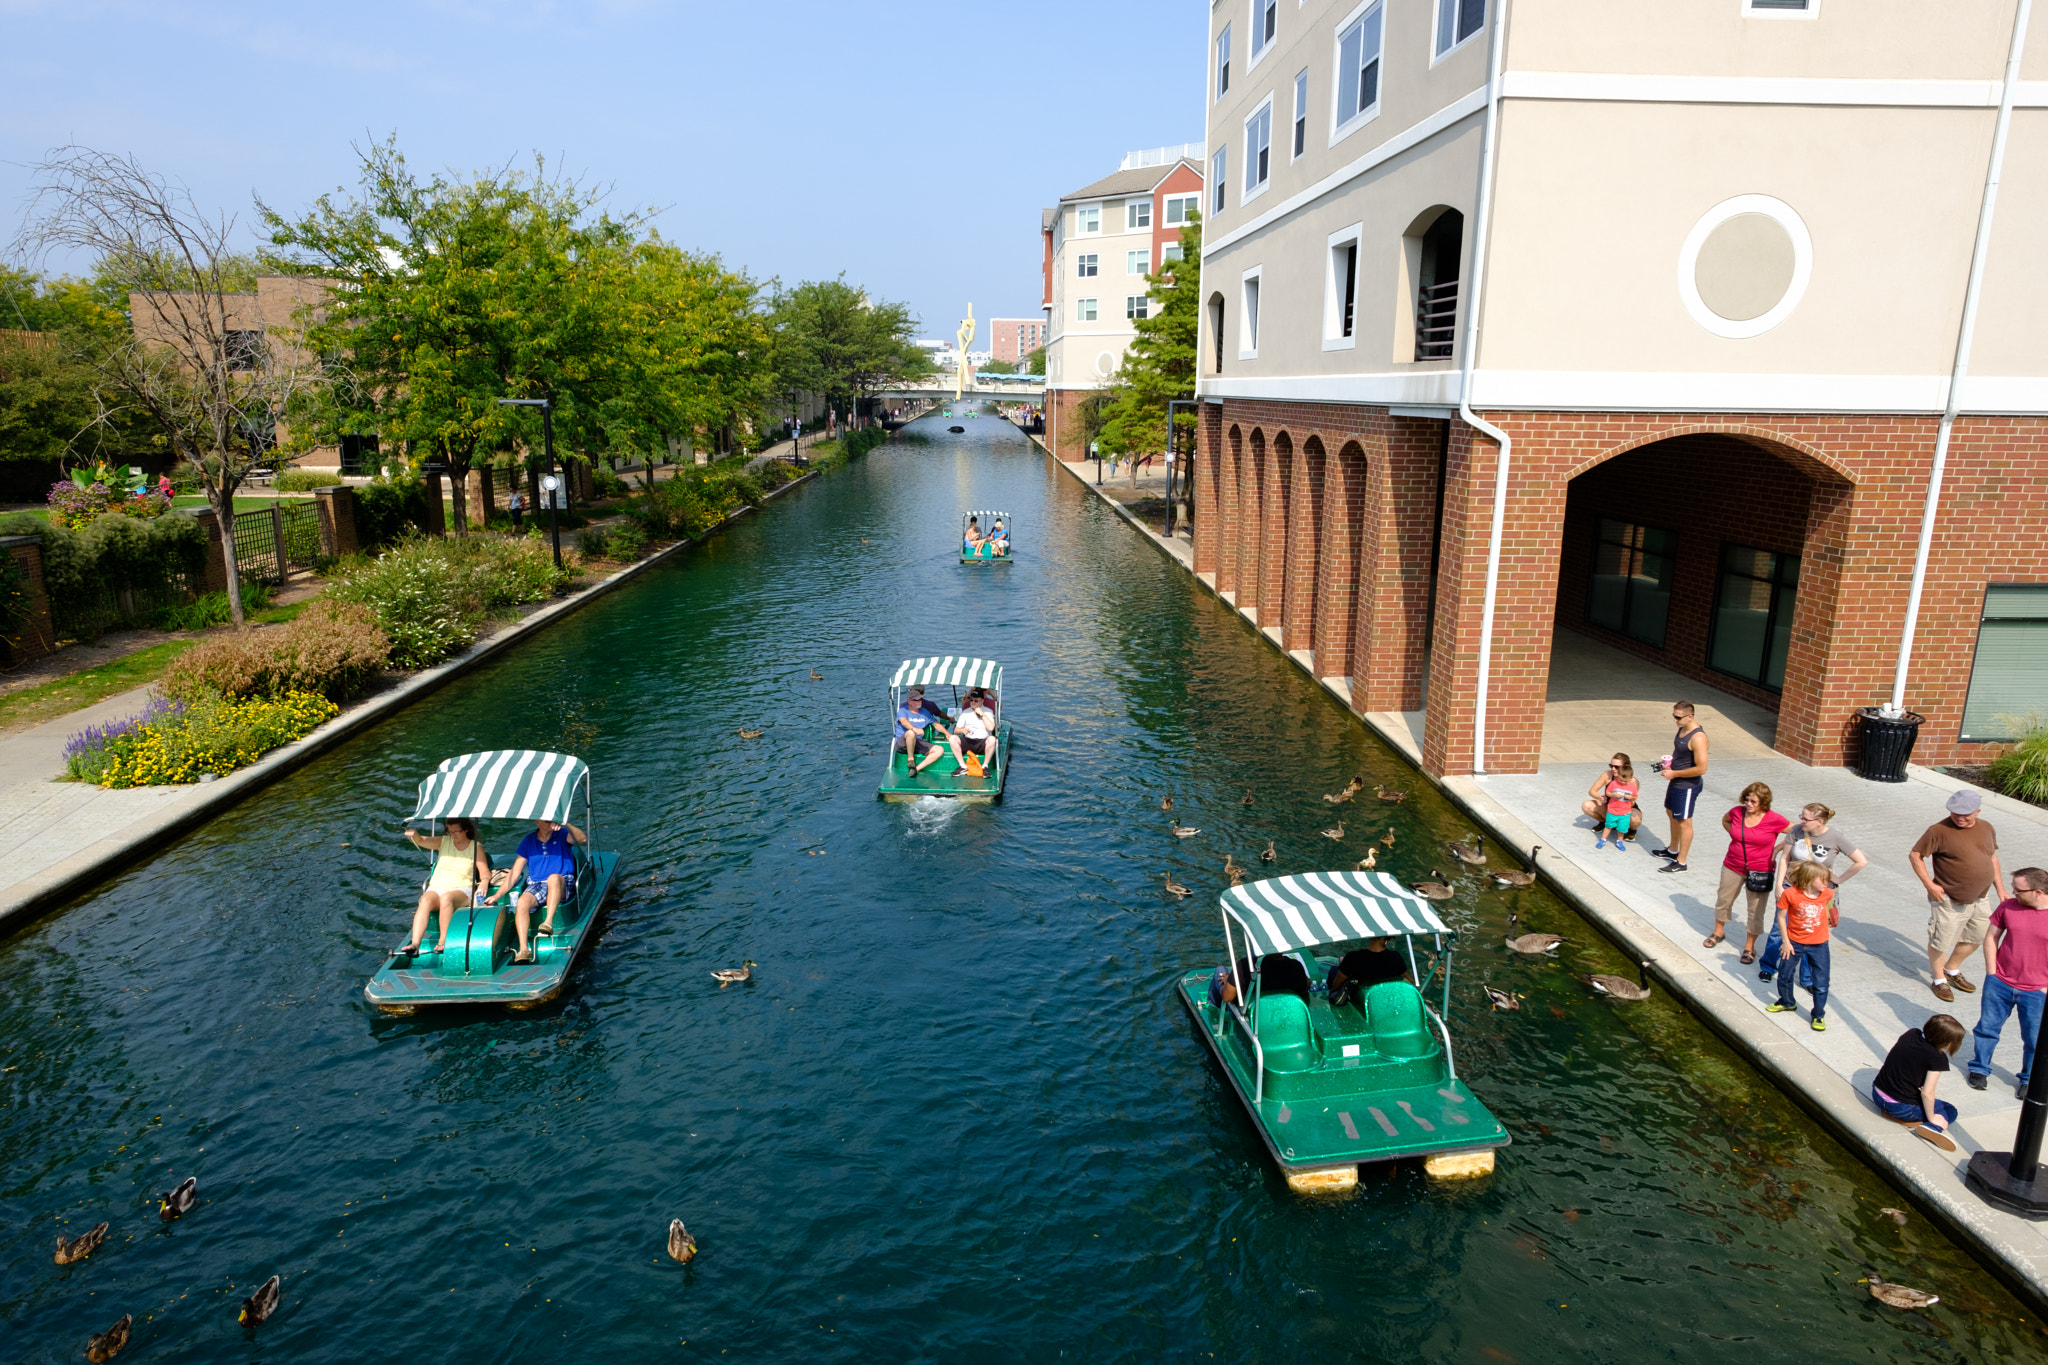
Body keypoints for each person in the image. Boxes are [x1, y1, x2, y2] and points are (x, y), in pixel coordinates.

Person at [1910, 788, 2005, 1003]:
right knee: (1941, 940)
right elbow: (1915, 855)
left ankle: (1952, 969)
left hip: (1981, 897)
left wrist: (2001, 890)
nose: (1960, 818)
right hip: (1949, 899)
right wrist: (1930, 886)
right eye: (1955, 813)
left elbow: (1992, 858)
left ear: (1978, 811)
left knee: (1979, 936)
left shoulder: (1987, 828)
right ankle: (1939, 979)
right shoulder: (1938, 831)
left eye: (1965, 814)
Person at [1761, 803, 1868, 984]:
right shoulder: (1796, 831)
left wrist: (1839, 879)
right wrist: (1779, 885)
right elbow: (1785, 858)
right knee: (1779, 931)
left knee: (1810, 934)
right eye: (1801, 816)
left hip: (1815, 893)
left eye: (1805, 819)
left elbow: (1861, 861)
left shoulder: (1835, 837)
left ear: (1819, 821)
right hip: (1791, 887)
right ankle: (1768, 966)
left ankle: (1807, 978)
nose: (1801, 821)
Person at [1966, 866, 2048, 1096]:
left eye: (2019, 890)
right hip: (2000, 983)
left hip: (2035, 991)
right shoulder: (2008, 907)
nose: (2013, 893)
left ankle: (2028, 1079)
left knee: (2033, 1038)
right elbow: (1991, 937)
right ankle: (1979, 1069)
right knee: (1987, 1028)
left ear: (2038, 892)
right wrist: (1991, 971)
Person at [485, 816, 587, 964]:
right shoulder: (529, 840)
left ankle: (548, 923)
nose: (551, 823)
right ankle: (523, 949)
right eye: (547, 821)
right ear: (537, 822)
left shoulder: (562, 834)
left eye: (553, 820)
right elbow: (514, 872)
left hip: (562, 881)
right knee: (522, 902)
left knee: (553, 878)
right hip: (538, 883)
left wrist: (565, 823)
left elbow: (582, 839)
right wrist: (497, 895)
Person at [1709, 782, 1789, 961]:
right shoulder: (1736, 812)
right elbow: (1725, 820)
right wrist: (1735, 835)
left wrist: (1778, 849)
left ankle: (1749, 945)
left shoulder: (1774, 819)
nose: (1749, 804)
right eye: (1747, 799)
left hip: (1760, 870)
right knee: (1724, 898)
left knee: (1755, 909)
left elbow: (1796, 831)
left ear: (1764, 803)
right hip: (1732, 864)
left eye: (1753, 801)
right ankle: (1718, 930)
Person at [1872, 1014, 1967, 1152]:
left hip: (1877, 1094)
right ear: (1946, 1041)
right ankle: (1931, 1128)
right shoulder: (1937, 1058)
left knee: (1936, 1106)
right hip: (1900, 1108)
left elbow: (1909, 1063)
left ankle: (1893, 1114)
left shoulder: (1911, 1033)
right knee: (1949, 1110)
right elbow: (1927, 1093)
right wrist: (1933, 1117)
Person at [399, 817, 488, 955]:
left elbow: (485, 873)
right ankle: (415, 944)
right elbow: (421, 840)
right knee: (425, 900)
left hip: (461, 889)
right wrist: (413, 834)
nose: (452, 835)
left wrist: (484, 882)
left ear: (466, 830)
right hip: (437, 886)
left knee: (446, 898)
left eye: (456, 832)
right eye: (450, 832)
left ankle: (443, 941)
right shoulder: (444, 841)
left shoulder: (475, 847)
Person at [1653, 702, 1709, 873]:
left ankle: (1681, 862)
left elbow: (1702, 768)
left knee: (1684, 822)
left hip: (1687, 785)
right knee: (1671, 813)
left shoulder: (1698, 737)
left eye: (1678, 717)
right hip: (1676, 781)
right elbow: (1682, 753)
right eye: (1674, 716)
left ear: (1690, 716)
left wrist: (1675, 774)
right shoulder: (1682, 728)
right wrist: (1669, 765)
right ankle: (1672, 850)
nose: (1675, 720)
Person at [1327, 938, 1408, 1006]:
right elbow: (1408, 981)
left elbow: (1336, 985)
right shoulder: (1396, 957)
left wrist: (1344, 964)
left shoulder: (1353, 957)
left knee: (1334, 970)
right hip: (1386, 999)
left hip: (1362, 1000)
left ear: (1369, 937)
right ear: (1389, 938)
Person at [1582, 754, 1640, 848]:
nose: (1613, 769)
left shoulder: (1632, 781)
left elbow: (1633, 801)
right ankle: (1605, 823)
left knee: (1635, 819)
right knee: (1586, 805)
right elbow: (1592, 791)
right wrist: (1599, 797)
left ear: (1626, 766)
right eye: (1611, 766)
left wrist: (1629, 798)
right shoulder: (1608, 775)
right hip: (1610, 807)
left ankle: (1631, 829)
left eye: (1616, 767)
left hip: (1625, 809)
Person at [896, 684, 950, 776]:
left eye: (920, 699)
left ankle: (916, 769)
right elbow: (904, 721)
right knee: (911, 733)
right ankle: (910, 760)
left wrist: (947, 733)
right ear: (910, 701)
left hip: (918, 741)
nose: (919, 701)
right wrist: (915, 729)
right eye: (916, 700)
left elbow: (936, 724)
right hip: (903, 742)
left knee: (939, 750)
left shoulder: (924, 712)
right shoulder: (903, 710)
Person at [949, 687, 997, 773]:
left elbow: (991, 728)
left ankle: (985, 766)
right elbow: (956, 730)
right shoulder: (965, 712)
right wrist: (962, 730)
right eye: (971, 700)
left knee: (992, 739)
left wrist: (982, 714)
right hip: (969, 741)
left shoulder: (988, 712)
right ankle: (962, 766)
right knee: (952, 738)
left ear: (982, 701)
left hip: (982, 742)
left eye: (976, 701)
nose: (973, 703)